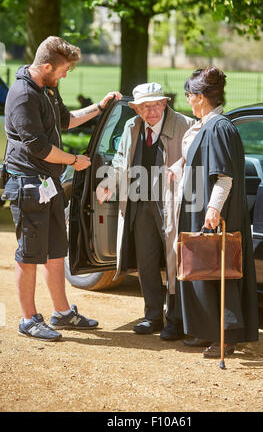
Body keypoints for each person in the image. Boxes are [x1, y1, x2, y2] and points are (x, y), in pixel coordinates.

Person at [2, 36, 122, 342]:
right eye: (64, 69)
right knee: (28, 255)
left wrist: (99, 107)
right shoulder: (22, 95)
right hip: (28, 184)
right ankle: (28, 319)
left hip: (48, 183)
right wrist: (75, 160)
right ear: (46, 66)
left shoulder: (47, 87)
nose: (66, 74)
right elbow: (40, 148)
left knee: (56, 252)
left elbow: (65, 121)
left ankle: (62, 312)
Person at [171, 67, 259, 357]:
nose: (187, 101)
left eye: (188, 96)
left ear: (200, 97)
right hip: (198, 209)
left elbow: (224, 176)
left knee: (219, 270)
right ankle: (206, 330)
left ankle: (225, 336)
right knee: (201, 270)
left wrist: (213, 208)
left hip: (215, 212)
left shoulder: (219, 127)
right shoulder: (207, 125)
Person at [96, 82, 195, 340]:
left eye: (155, 105)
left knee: (175, 260)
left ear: (164, 103)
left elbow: (194, 161)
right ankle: (152, 316)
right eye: (145, 107)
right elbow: (120, 161)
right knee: (146, 261)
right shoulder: (132, 126)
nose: (151, 111)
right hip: (139, 201)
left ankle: (176, 319)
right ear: (137, 109)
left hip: (172, 203)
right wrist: (108, 183)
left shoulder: (185, 125)